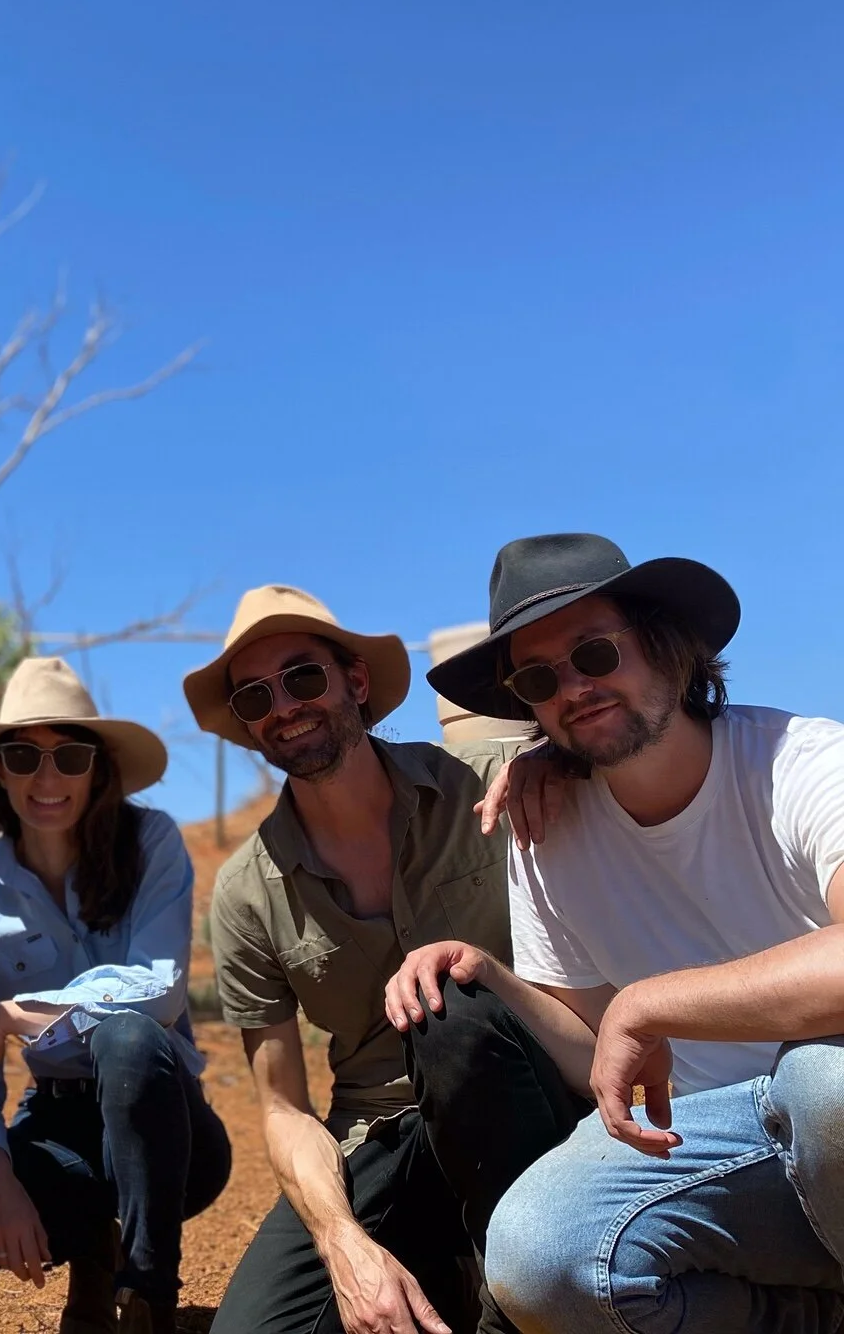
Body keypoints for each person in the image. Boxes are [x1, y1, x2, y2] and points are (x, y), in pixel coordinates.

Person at [386, 533, 844, 1333]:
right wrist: (489, 973)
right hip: (712, 1143)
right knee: (536, 1258)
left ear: (670, 650)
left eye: (595, 652)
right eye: (540, 677)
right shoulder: (547, 831)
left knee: (823, 1083)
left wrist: (653, 1003)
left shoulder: (801, 761)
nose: (574, 688)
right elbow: (594, 1043)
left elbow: (635, 1015)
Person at [194, 585, 533, 1334]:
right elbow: (283, 1108)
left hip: (529, 1112)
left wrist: (560, 764)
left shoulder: (494, 786)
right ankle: (435, 1257)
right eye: (254, 697)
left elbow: (633, 766)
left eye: (303, 677)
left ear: (355, 682)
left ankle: (508, 1282)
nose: (283, 705)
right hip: (381, 1132)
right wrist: (343, 1243)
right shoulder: (249, 893)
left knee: (460, 1006)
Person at [0, 656, 231, 1334]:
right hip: (59, 1123)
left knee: (129, 1038)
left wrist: (23, 1012)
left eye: (70, 756)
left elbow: (164, 993)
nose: (46, 779)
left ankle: (148, 1297)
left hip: (168, 1126)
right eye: (24, 756)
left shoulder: (153, 844)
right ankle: (94, 1256)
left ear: (99, 766)